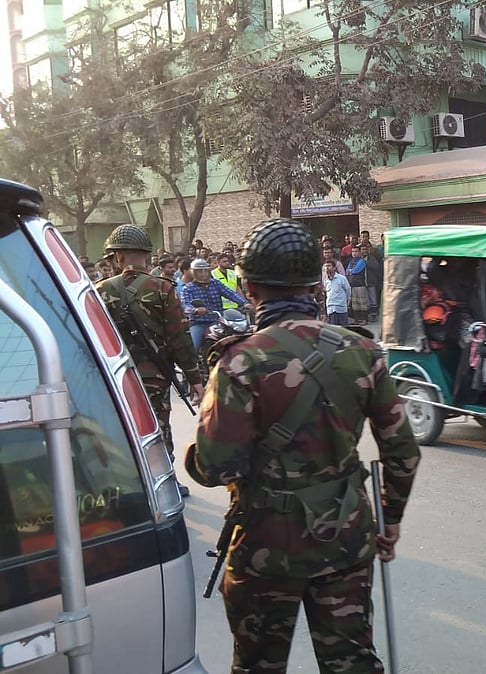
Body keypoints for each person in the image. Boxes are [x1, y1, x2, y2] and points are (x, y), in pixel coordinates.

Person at [185, 217, 420, 673]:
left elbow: (214, 468)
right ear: (316, 284)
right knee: (351, 663)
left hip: (264, 545)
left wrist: (199, 450)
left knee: (257, 666)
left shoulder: (239, 361)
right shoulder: (363, 351)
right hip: (345, 538)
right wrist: (389, 523)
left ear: (249, 287)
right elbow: (403, 453)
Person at [96, 226, 204, 493]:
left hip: (117, 376)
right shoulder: (163, 288)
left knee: (124, 427)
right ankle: (166, 482)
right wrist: (195, 379)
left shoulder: (100, 291)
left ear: (118, 256)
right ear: (146, 255)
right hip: (155, 374)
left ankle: (132, 485)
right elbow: (179, 338)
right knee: (159, 427)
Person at [180, 258, 247, 351]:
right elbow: (185, 305)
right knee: (194, 347)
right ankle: (193, 364)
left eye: (205, 271)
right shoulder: (188, 288)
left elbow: (230, 293)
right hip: (200, 322)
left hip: (218, 321)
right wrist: (195, 310)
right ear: (193, 272)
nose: (203, 274)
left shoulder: (215, 283)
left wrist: (245, 303)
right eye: (199, 272)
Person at [346, 245, 370, 325]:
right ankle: (357, 319)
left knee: (362, 303)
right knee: (355, 303)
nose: (354, 253)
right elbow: (347, 271)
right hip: (352, 284)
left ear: (359, 252)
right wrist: (350, 271)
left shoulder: (362, 261)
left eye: (356, 251)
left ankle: (364, 319)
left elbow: (356, 270)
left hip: (360, 285)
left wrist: (350, 271)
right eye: (353, 252)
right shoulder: (351, 261)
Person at [323, 261, 351, 326]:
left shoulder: (341, 278)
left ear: (334, 268)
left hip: (341, 308)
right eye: (326, 266)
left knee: (344, 329)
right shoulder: (325, 280)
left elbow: (348, 291)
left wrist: (345, 302)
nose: (327, 268)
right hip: (330, 308)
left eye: (329, 266)